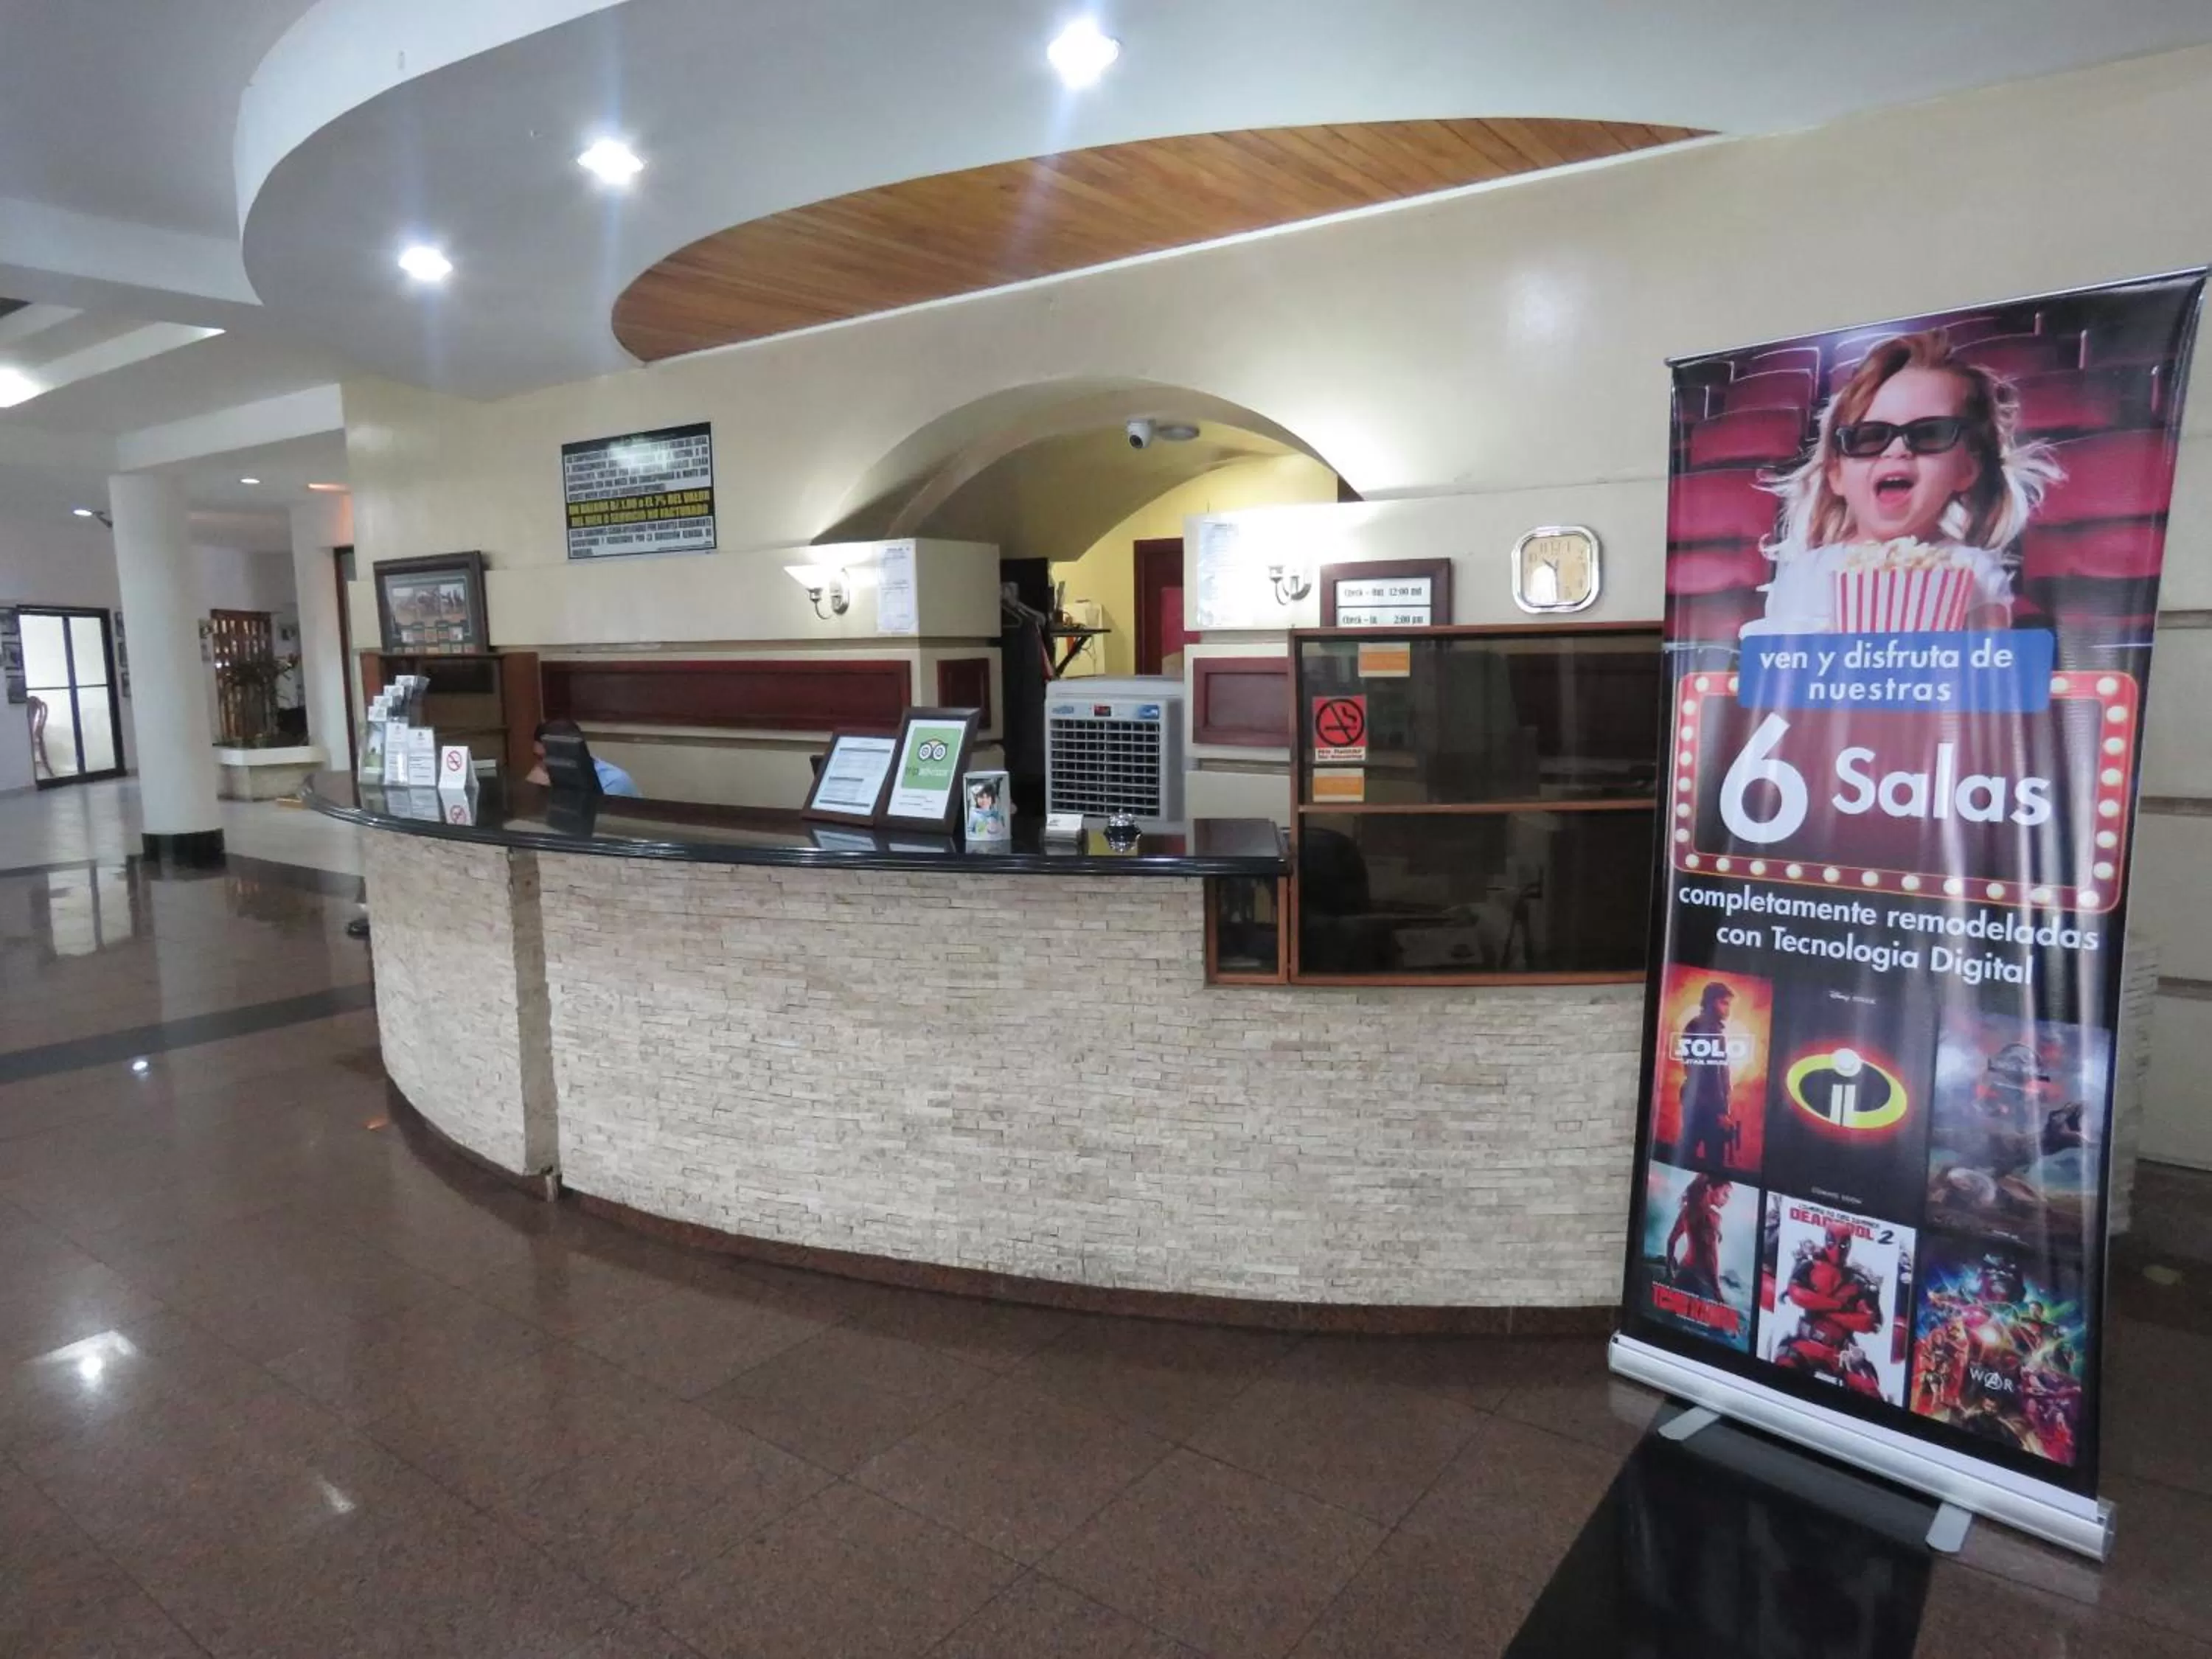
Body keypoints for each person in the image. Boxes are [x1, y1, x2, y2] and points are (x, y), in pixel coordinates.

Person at [1748, 330, 2062, 633]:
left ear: (1967, 469)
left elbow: (1989, 674)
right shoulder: (1805, 575)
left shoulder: (1976, 575)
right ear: (1837, 474)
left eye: (1929, 434)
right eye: (1869, 438)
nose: (1897, 451)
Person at [1674, 981, 1738, 1169]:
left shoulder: (1706, 1026)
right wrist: (1720, 1111)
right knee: (1712, 1158)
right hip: (1705, 1105)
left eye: (1729, 1004)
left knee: (1689, 1151)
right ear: (1710, 1002)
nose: (1728, 1009)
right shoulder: (1704, 1027)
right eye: (1724, 1003)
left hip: (1699, 1101)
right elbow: (1708, 1074)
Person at [526, 718, 641, 796]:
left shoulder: (614, 782)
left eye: (548, 758)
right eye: (538, 758)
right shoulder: (543, 775)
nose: (542, 766)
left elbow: (597, 824)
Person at [1665, 1175, 1733, 1304]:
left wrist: (1669, 1270)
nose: (1727, 1199)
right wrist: (1717, 1291)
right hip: (1700, 1281)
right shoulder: (1712, 1218)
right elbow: (1711, 1257)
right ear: (1710, 1188)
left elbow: (1671, 1241)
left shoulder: (1687, 1211)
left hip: (1682, 1273)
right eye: (1725, 1193)